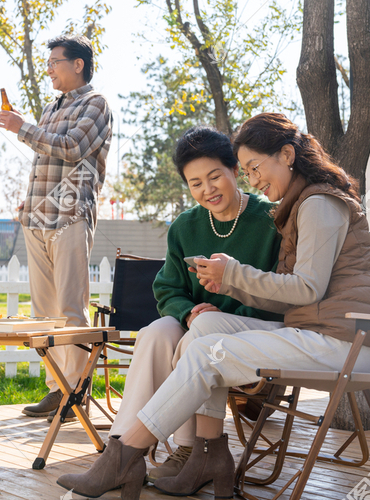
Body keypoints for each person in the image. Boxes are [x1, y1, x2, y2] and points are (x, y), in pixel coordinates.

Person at [57, 112, 370, 500]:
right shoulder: (300, 203)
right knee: (204, 332)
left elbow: (307, 289)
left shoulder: (317, 203)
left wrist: (232, 275)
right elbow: (284, 291)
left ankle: (124, 455)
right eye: (248, 171)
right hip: (317, 336)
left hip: (345, 345)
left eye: (253, 168)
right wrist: (219, 293)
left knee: (208, 354)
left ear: (286, 154)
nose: (254, 179)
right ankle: (208, 453)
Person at [109, 126, 284, 482]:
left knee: (198, 339)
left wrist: (225, 315)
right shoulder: (184, 227)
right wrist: (188, 311)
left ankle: (190, 449)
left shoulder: (272, 220)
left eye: (215, 176)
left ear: (235, 170)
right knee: (156, 332)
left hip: (254, 334)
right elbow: (168, 290)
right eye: (195, 183)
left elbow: (282, 294)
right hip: (198, 324)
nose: (207, 190)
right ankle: (123, 449)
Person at [0, 34, 112, 421]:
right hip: (37, 219)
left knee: (70, 310)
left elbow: (71, 148)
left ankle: (75, 393)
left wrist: (21, 128)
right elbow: (45, 163)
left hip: (70, 218)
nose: (49, 69)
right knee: (45, 313)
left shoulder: (96, 104)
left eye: (54, 62)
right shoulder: (51, 106)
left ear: (77, 64)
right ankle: (56, 389)